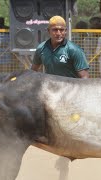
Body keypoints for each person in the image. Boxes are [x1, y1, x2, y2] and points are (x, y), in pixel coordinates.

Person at [31, 15, 89, 180]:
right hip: (49, 94)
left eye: (62, 30)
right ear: (48, 31)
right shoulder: (41, 49)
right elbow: (33, 72)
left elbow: (85, 79)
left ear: (66, 31)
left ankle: (67, 154)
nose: (59, 33)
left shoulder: (73, 50)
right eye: (55, 30)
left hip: (70, 97)